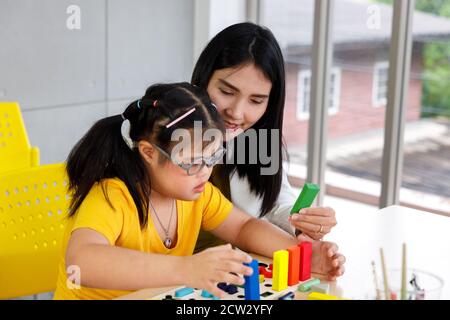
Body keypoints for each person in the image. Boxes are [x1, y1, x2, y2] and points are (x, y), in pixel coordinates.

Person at [53, 82, 345, 300]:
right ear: (148, 153)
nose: (205, 171)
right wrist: (186, 268)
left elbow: (244, 227)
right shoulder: (113, 196)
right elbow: (81, 261)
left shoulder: (197, 194)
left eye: (212, 157)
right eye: (192, 161)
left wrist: (303, 254)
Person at [191, 22, 338, 252]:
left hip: (233, 272)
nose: (236, 113)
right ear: (203, 78)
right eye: (227, 92)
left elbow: (275, 201)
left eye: (256, 100)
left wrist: (302, 222)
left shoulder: (257, 140)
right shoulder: (169, 138)